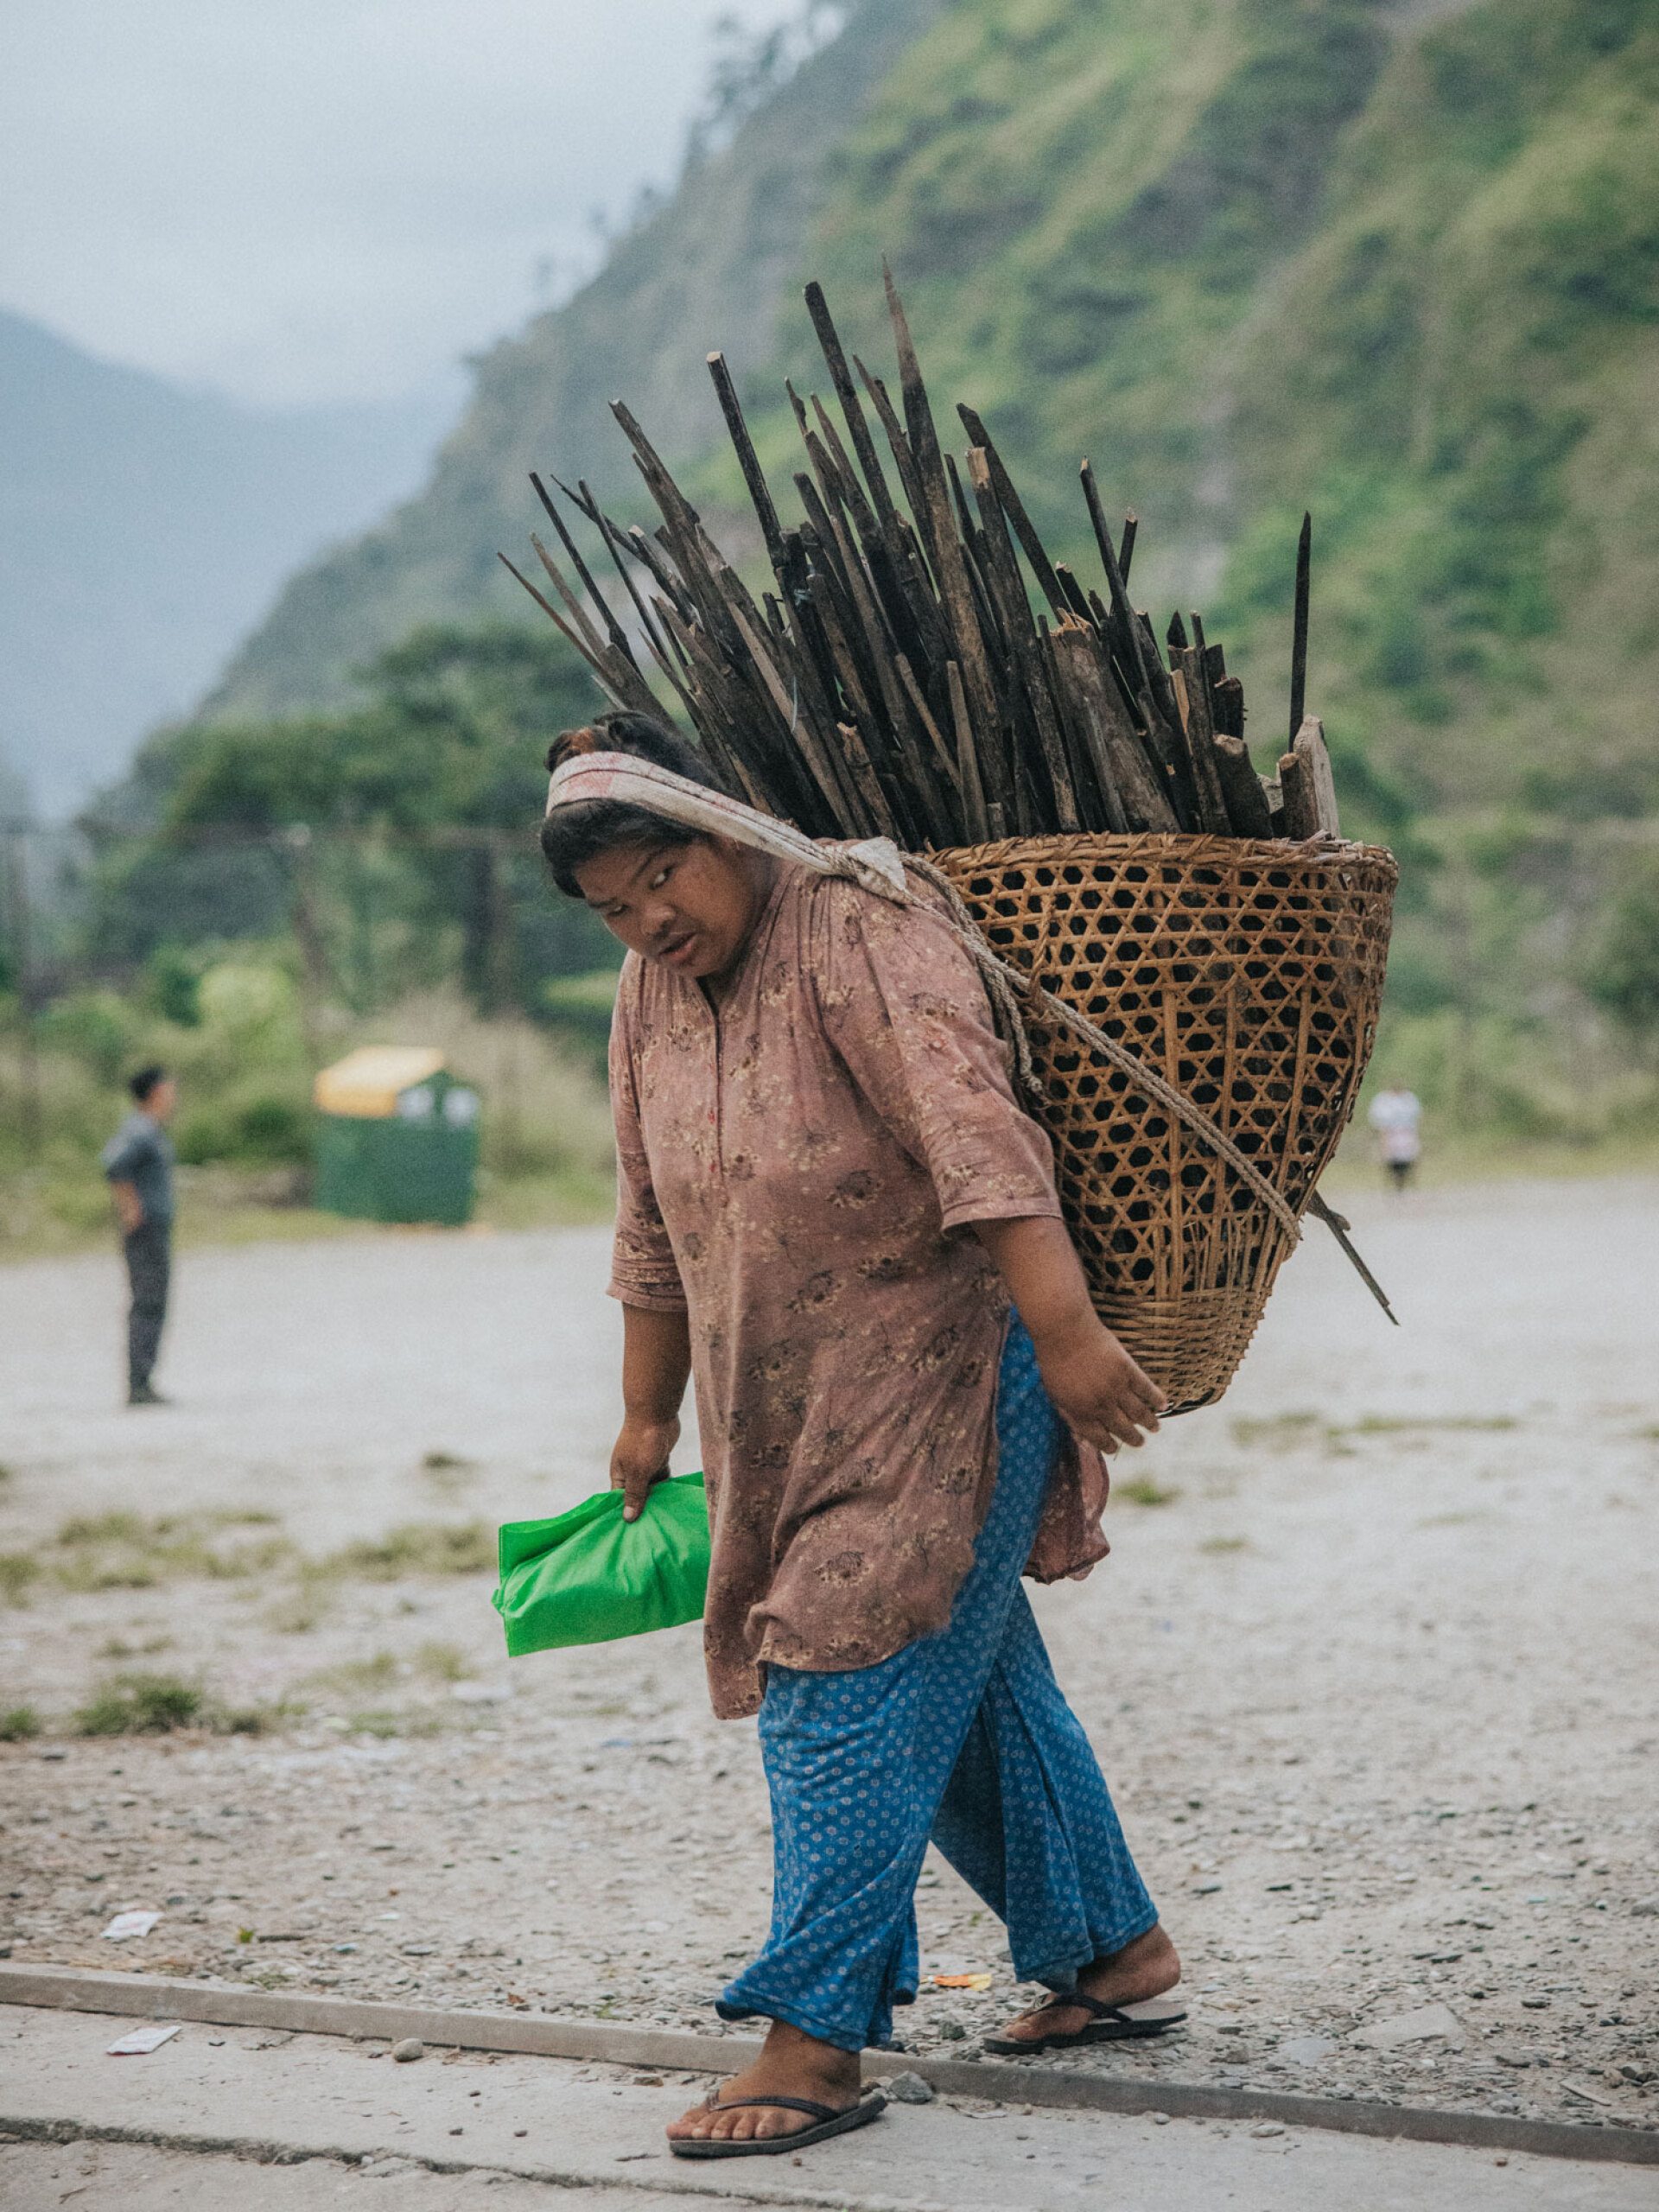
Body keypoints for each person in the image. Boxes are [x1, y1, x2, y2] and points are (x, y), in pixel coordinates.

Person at [541, 713, 1183, 2163]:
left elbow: (979, 1136)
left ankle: (813, 2039)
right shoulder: (650, 998)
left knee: (845, 1657)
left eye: (663, 880)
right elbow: (648, 1222)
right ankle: (1111, 1954)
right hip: (776, 1408)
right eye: (612, 912)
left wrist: (1070, 1337)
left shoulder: (858, 927)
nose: (648, 923)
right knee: (959, 1677)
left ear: (722, 829)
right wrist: (645, 1416)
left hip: (953, 1366)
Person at [102, 1064, 177, 1406]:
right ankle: (139, 1381)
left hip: (155, 1227)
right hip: (145, 1229)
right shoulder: (140, 1130)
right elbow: (114, 1165)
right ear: (156, 1092)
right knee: (148, 1301)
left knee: (154, 1300)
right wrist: (130, 1207)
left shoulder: (151, 1130)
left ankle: (144, 1378)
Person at [1368, 1081, 1422, 1192]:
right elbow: (1379, 1121)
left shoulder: (1409, 1099)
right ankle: (1393, 1186)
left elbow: (1414, 1119)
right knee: (1391, 1161)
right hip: (1390, 1134)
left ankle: (1406, 1185)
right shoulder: (1383, 1100)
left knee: (1408, 1160)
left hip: (1405, 1133)